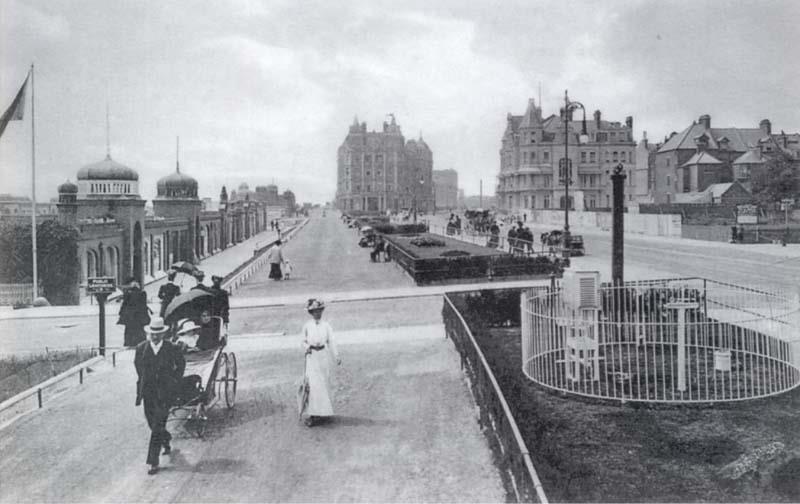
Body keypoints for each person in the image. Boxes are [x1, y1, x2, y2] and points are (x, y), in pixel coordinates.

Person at [134, 317, 185, 475]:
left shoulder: (172, 348)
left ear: (163, 334)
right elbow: (138, 367)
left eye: (158, 334)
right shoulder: (141, 348)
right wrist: (144, 382)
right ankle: (166, 438)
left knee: (157, 425)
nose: (155, 337)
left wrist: (174, 380)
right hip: (148, 392)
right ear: (148, 334)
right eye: (152, 334)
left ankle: (153, 462)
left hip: (165, 392)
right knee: (152, 423)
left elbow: (181, 364)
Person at [301, 299, 340, 427]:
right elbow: (302, 341)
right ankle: (313, 414)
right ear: (311, 313)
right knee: (313, 385)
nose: (318, 314)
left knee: (323, 384)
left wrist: (336, 356)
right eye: (315, 312)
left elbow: (332, 341)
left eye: (319, 311)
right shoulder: (307, 326)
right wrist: (307, 347)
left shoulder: (326, 326)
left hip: (323, 356)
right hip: (312, 356)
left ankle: (324, 413)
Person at [119, 278, 150, 347]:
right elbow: (144, 306)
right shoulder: (143, 293)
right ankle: (141, 343)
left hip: (130, 317)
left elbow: (124, 305)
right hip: (139, 317)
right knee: (140, 330)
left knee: (129, 331)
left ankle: (129, 343)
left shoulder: (127, 294)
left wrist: (121, 314)